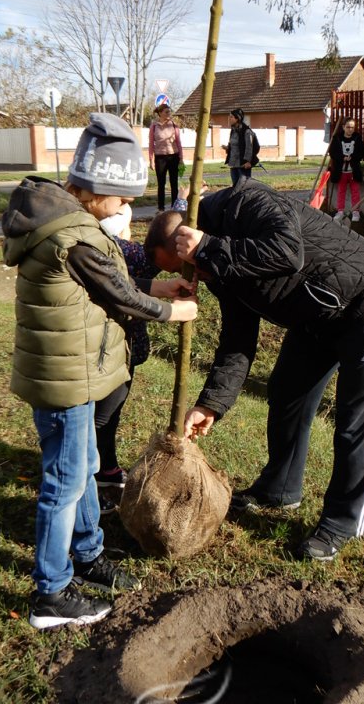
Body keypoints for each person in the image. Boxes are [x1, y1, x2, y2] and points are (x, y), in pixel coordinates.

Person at [2, 113, 198, 629]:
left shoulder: (68, 222)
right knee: (64, 483)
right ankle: (51, 592)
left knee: (85, 466)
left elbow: (106, 283)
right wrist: (172, 310)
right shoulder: (74, 235)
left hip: (74, 371)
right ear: (96, 190)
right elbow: (119, 295)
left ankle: (88, 555)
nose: (127, 208)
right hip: (66, 379)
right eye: (123, 198)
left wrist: (156, 288)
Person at [144, 176, 364, 561]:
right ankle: (280, 489)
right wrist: (210, 404)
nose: (192, 276)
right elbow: (237, 341)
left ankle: (342, 522)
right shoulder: (215, 264)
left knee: (356, 420)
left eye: (186, 266)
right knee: (286, 391)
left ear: (189, 237)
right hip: (315, 315)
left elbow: (288, 251)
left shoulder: (244, 202)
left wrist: (209, 248)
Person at [93, 183, 206, 496]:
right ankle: (96, 473)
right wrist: (172, 310)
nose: (181, 265)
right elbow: (127, 293)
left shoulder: (132, 251)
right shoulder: (131, 257)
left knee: (110, 413)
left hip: (123, 352)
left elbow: (170, 228)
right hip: (114, 352)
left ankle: (105, 467)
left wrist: (183, 199)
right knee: (104, 416)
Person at [329, 118, 364, 223]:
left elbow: (362, 152)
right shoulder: (337, 138)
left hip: (353, 171)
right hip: (341, 172)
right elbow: (333, 153)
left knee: (355, 192)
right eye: (348, 127)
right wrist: (342, 157)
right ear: (343, 127)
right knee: (341, 191)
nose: (350, 129)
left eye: (352, 127)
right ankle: (340, 211)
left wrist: (353, 157)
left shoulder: (357, 138)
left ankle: (355, 212)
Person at [148, 103, 183, 212]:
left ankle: (174, 207)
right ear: (160, 113)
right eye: (166, 112)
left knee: (174, 183)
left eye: (169, 112)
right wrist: (151, 160)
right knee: (161, 184)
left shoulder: (173, 125)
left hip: (173, 157)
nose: (169, 114)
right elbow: (151, 144)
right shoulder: (154, 126)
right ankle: (161, 208)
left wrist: (181, 158)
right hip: (160, 158)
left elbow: (178, 142)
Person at [223, 108, 258, 186]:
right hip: (233, 164)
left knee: (244, 187)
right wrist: (228, 148)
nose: (229, 119)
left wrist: (248, 161)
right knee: (235, 187)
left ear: (237, 118)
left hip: (243, 165)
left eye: (231, 117)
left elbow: (250, 147)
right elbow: (235, 145)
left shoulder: (246, 131)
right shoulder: (233, 131)